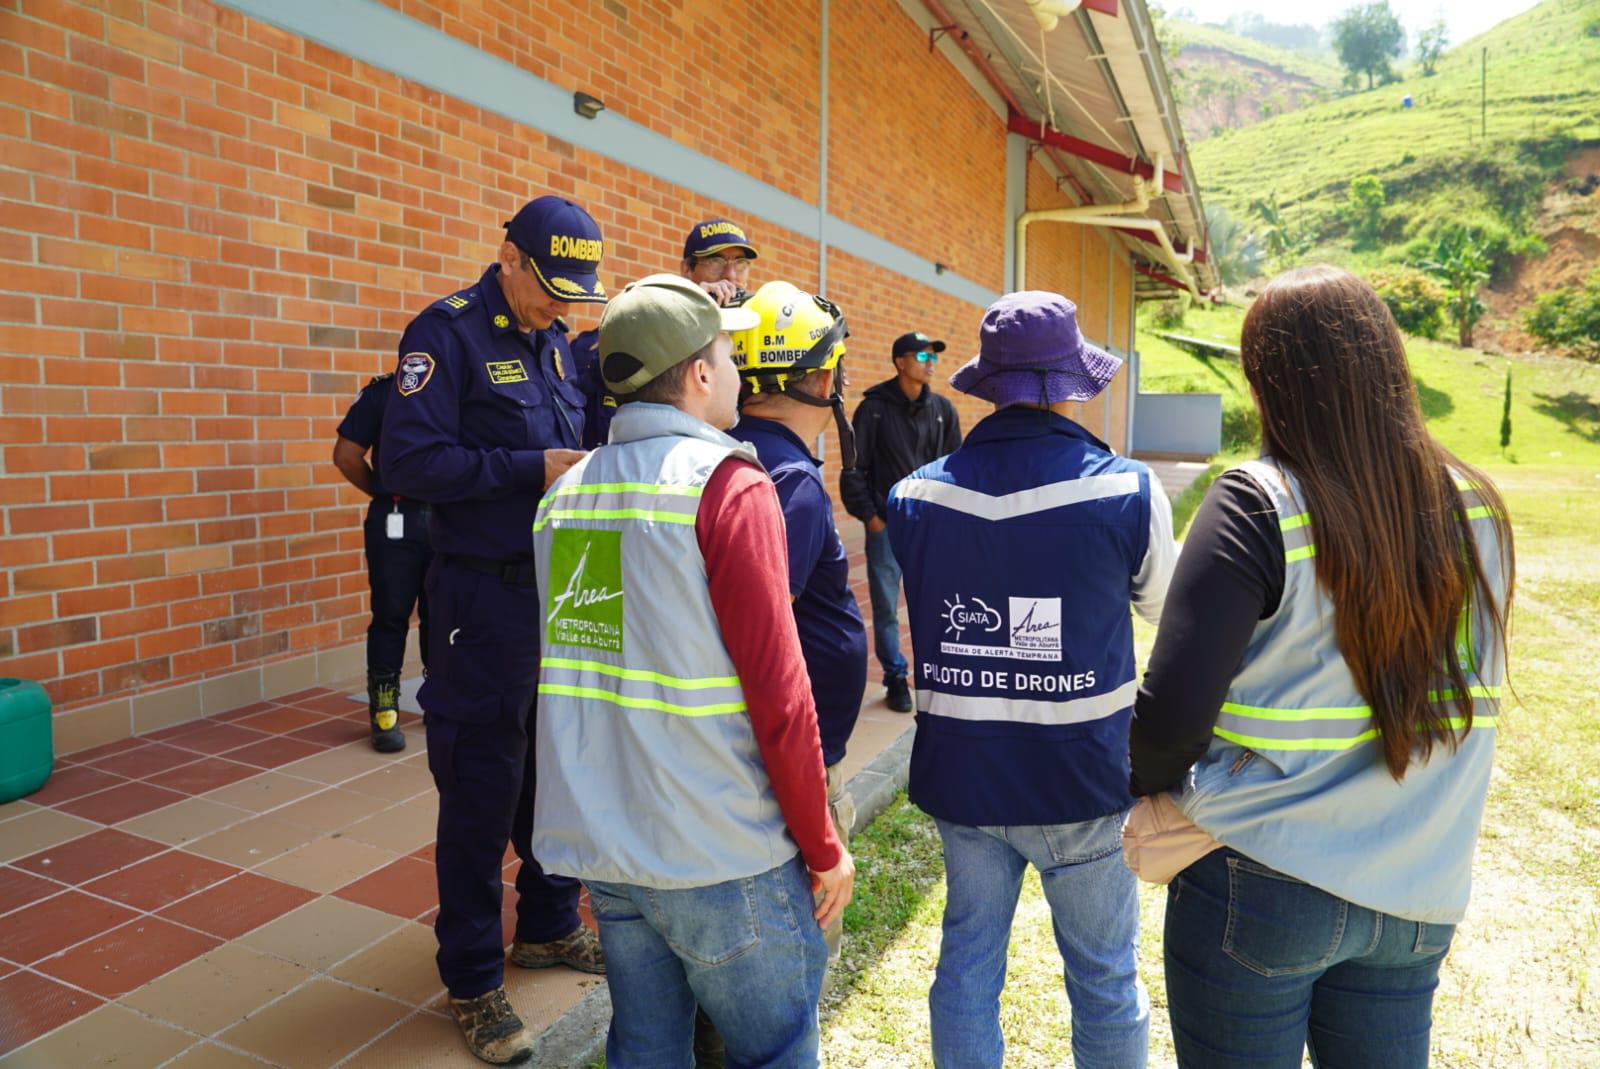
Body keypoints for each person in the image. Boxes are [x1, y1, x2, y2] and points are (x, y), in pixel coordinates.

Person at [1129, 266, 1514, 1069]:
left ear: (1270, 381)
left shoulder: (1257, 501)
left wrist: (1151, 788)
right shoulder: (1478, 508)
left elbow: (1167, 720)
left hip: (1260, 878)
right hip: (1418, 888)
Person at [531, 273, 855, 1069]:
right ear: (701, 373)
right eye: (728, 352)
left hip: (610, 848)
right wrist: (823, 844)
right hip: (719, 849)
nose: (741, 372)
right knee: (774, 1048)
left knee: (645, 1044)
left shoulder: (565, 495)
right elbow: (781, 694)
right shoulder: (726, 486)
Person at [886, 292, 1175, 1069]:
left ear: (990, 384)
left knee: (966, 970)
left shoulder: (912, 497)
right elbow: (1163, 611)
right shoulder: (1127, 490)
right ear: (1066, 386)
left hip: (965, 780)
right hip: (1081, 779)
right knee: (1107, 981)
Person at [379, 195, 607, 1066]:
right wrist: (530, 467)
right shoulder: (446, 334)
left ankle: (548, 924)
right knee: (480, 786)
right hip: (481, 600)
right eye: (551, 287)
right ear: (507, 256)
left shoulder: (552, 341)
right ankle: (473, 976)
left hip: (559, 594)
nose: (563, 307)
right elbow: (407, 462)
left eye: (574, 294)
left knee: (556, 767)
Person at [729, 280, 869, 972]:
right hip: (792, 762)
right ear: (822, 376)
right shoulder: (788, 480)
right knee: (796, 954)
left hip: (769, 751)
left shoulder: (742, 455)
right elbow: (763, 644)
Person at [840, 330, 962, 713]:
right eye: (923, 357)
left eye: (933, 358)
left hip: (931, 528)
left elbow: (957, 467)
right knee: (888, 608)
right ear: (900, 362)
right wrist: (872, 518)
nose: (930, 364)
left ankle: (936, 672)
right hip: (887, 528)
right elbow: (853, 468)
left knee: (935, 602)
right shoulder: (873, 408)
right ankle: (895, 675)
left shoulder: (943, 409)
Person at [570, 218, 760, 449]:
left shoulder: (754, 338)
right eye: (715, 261)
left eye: (740, 263)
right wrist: (689, 314)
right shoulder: (646, 328)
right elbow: (595, 367)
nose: (730, 275)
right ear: (687, 270)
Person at [333, 372, 431, 753]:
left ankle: (410, 704)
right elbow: (346, 455)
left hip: (426, 517)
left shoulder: (459, 385)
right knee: (411, 613)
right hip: (415, 518)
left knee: (420, 613)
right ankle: (405, 704)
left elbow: (345, 456)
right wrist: (380, 489)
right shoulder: (389, 391)